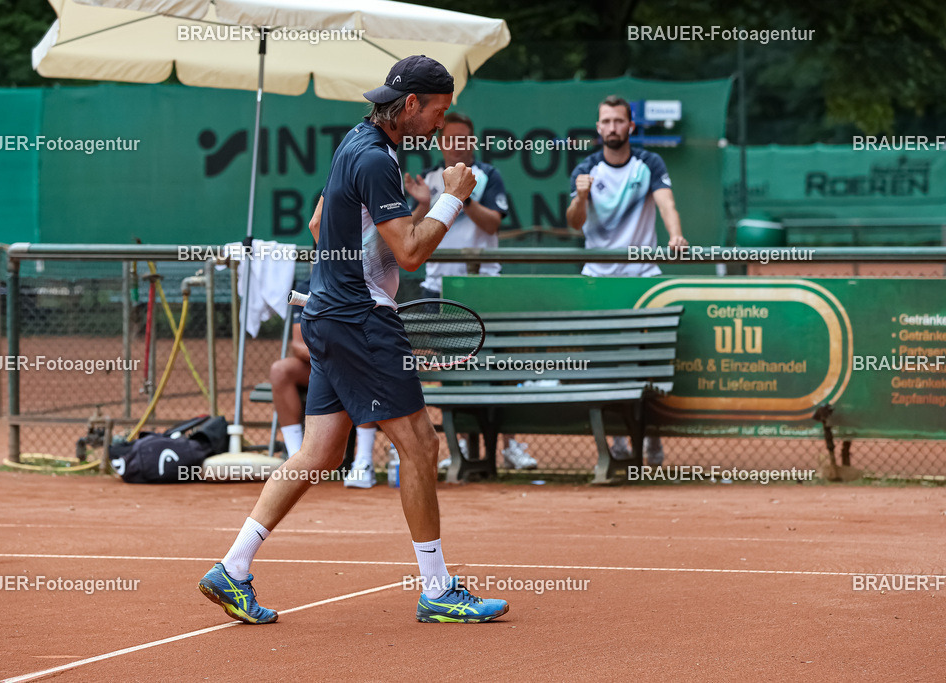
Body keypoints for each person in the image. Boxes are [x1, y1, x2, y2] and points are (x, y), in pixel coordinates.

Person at [198, 55, 508, 625]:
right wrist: (452, 196)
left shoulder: (357, 144)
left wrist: (364, 263)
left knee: (318, 452)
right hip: (360, 319)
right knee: (420, 444)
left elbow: (322, 225)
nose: (441, 126)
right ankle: (438, 589)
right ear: (410, 104)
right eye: (438, 113)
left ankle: (232, 569)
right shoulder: (374, 158)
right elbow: (412, 250)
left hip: (330, 314)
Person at [402, 111, 536, 471]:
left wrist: (463, 195)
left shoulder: (488, 176)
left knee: (497, 368)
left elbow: (493, 222)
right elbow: (408, 234)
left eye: (464, 137)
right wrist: (424, 202)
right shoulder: (427, 180)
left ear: (472, 142)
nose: (457, 143)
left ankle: (509, 446)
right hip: (440, 290)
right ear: (440, 141)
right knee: (450, 370)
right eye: (450, 137)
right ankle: (458, 445)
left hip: (485, 288)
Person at [565, 94, 688, 466]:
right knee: (602, 364)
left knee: (646, 365)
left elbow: (667, 203)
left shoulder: (649, 163)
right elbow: (574, 223)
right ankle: (615, 440)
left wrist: (676, 236)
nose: (613, 128)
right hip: (598, 279)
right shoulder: (585, 169)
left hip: (642, 277)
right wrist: (581, 197)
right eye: (606, 121)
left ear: (630, 127)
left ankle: (650, 437)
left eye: (619, 121)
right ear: (598, 127)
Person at [269, 294, 380, 488]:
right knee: (280, 371)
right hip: (319, 363)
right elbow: (297, 344)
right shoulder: (305, 286)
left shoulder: (360, 282)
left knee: (362, 370)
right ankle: (296, 461)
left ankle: (363, 463)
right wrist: (329, 357)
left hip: (355, 364)